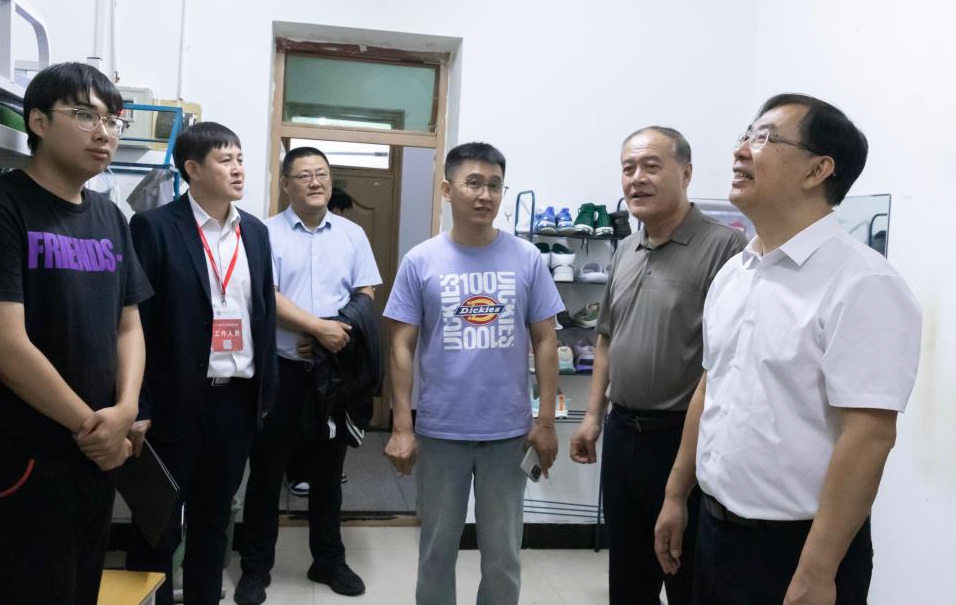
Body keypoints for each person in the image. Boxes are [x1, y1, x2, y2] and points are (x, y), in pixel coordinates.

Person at [655, 94, 922, 604]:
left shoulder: (863, 284)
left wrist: (817, 571)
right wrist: (675, 495)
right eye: (745, 135)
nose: (740, 151)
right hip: (713, 530)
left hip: (795, 549)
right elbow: (711, 387)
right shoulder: (734, 274)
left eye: (764, 138)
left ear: (818, 170)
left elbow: (868, 435)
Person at [0, 62, 152, 603]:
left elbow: (129, 324)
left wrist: (126, 408)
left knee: (79, 591)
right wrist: (96, 427)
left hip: (96, 453)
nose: (104, 132)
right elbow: (4, 347)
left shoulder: (110, 217)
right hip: (25, 456)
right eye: (85, 115)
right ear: (38, 121)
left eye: (112, 120)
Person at [570, 126, 745, 604]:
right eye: (628, 168)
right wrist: (592, 417)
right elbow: (606, 337)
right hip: (622, 433)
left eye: (651, 166)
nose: (637, 179)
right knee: (627, 577)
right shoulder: (627, 248)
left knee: (685, 575)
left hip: (682, 439)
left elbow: (727, 359)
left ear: (686, 174)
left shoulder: (725, 249)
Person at [383, 142, 564, 605]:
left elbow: (546, 341)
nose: (485, 195)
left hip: (508, 432)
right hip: (441, 431)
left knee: (503, 555)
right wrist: (402, 426)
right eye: (474, 183)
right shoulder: (421, 261)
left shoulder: (526, 258)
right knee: (436, 551)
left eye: (495, 186)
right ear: (447, 190)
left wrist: (545, 422)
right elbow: (400, 346)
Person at [124, 122, 279, 605]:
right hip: (173, 403)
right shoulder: (154, 227)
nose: (238, 169)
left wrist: (265, 396)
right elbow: (136, 322)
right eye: (225, 160)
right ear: (192, 168)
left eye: (240, 158)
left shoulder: (255, 232)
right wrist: (138, 405)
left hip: (236, 402)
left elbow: (264, 313)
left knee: (214, 523)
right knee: (157, 526)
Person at [235, 147, 381, 603]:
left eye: (322, 174)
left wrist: (330, 335)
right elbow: (265, 294)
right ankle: (256, 568)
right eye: (304, 175)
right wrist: (317, 330)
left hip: (332, 373)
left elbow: (366, 291)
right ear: (285, 184)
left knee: (328, 471)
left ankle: (328, 560)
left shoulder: (353, 234)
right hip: (281, 371)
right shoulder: (264, 233)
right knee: (266, 472)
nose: (316, 182)